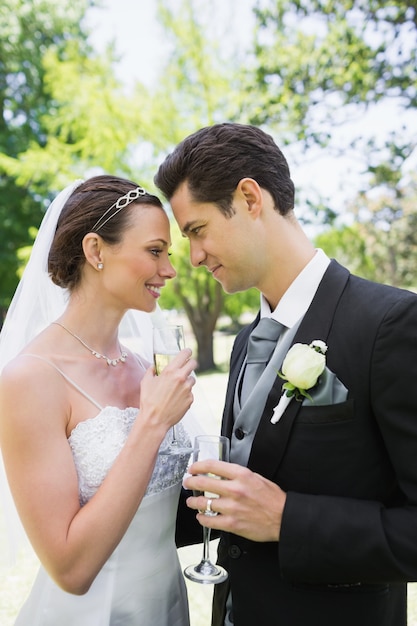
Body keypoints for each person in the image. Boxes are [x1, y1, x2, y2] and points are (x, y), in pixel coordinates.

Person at [154, 123, 417, 626]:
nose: (194, 257)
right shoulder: (243, 345)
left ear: (250, 198)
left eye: (197, 231)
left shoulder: (392, 324)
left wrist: (287, 520)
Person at [0, 175, 198, 625]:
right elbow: (71, 569)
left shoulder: (142, 365)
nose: (168, 270)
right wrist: (152, 422)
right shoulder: (30, 378)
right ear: (95, 251)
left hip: (167, 608)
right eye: (155, 251)